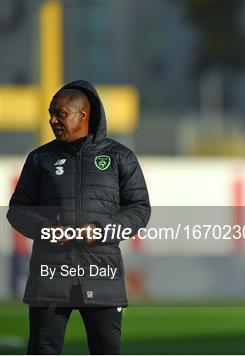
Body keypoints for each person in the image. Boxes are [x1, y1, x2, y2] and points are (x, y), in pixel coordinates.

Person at [7, 80, 151, 354]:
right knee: (42, 349)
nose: (52, 120)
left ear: (82, 115)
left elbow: (139, 209)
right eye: (50, 113)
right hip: (50, 275)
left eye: (59, 113)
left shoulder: (120, 157)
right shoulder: (40, 158)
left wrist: (101, 229)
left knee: (106, 350)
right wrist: (45, 228)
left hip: (101, 274)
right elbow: (18, 210)